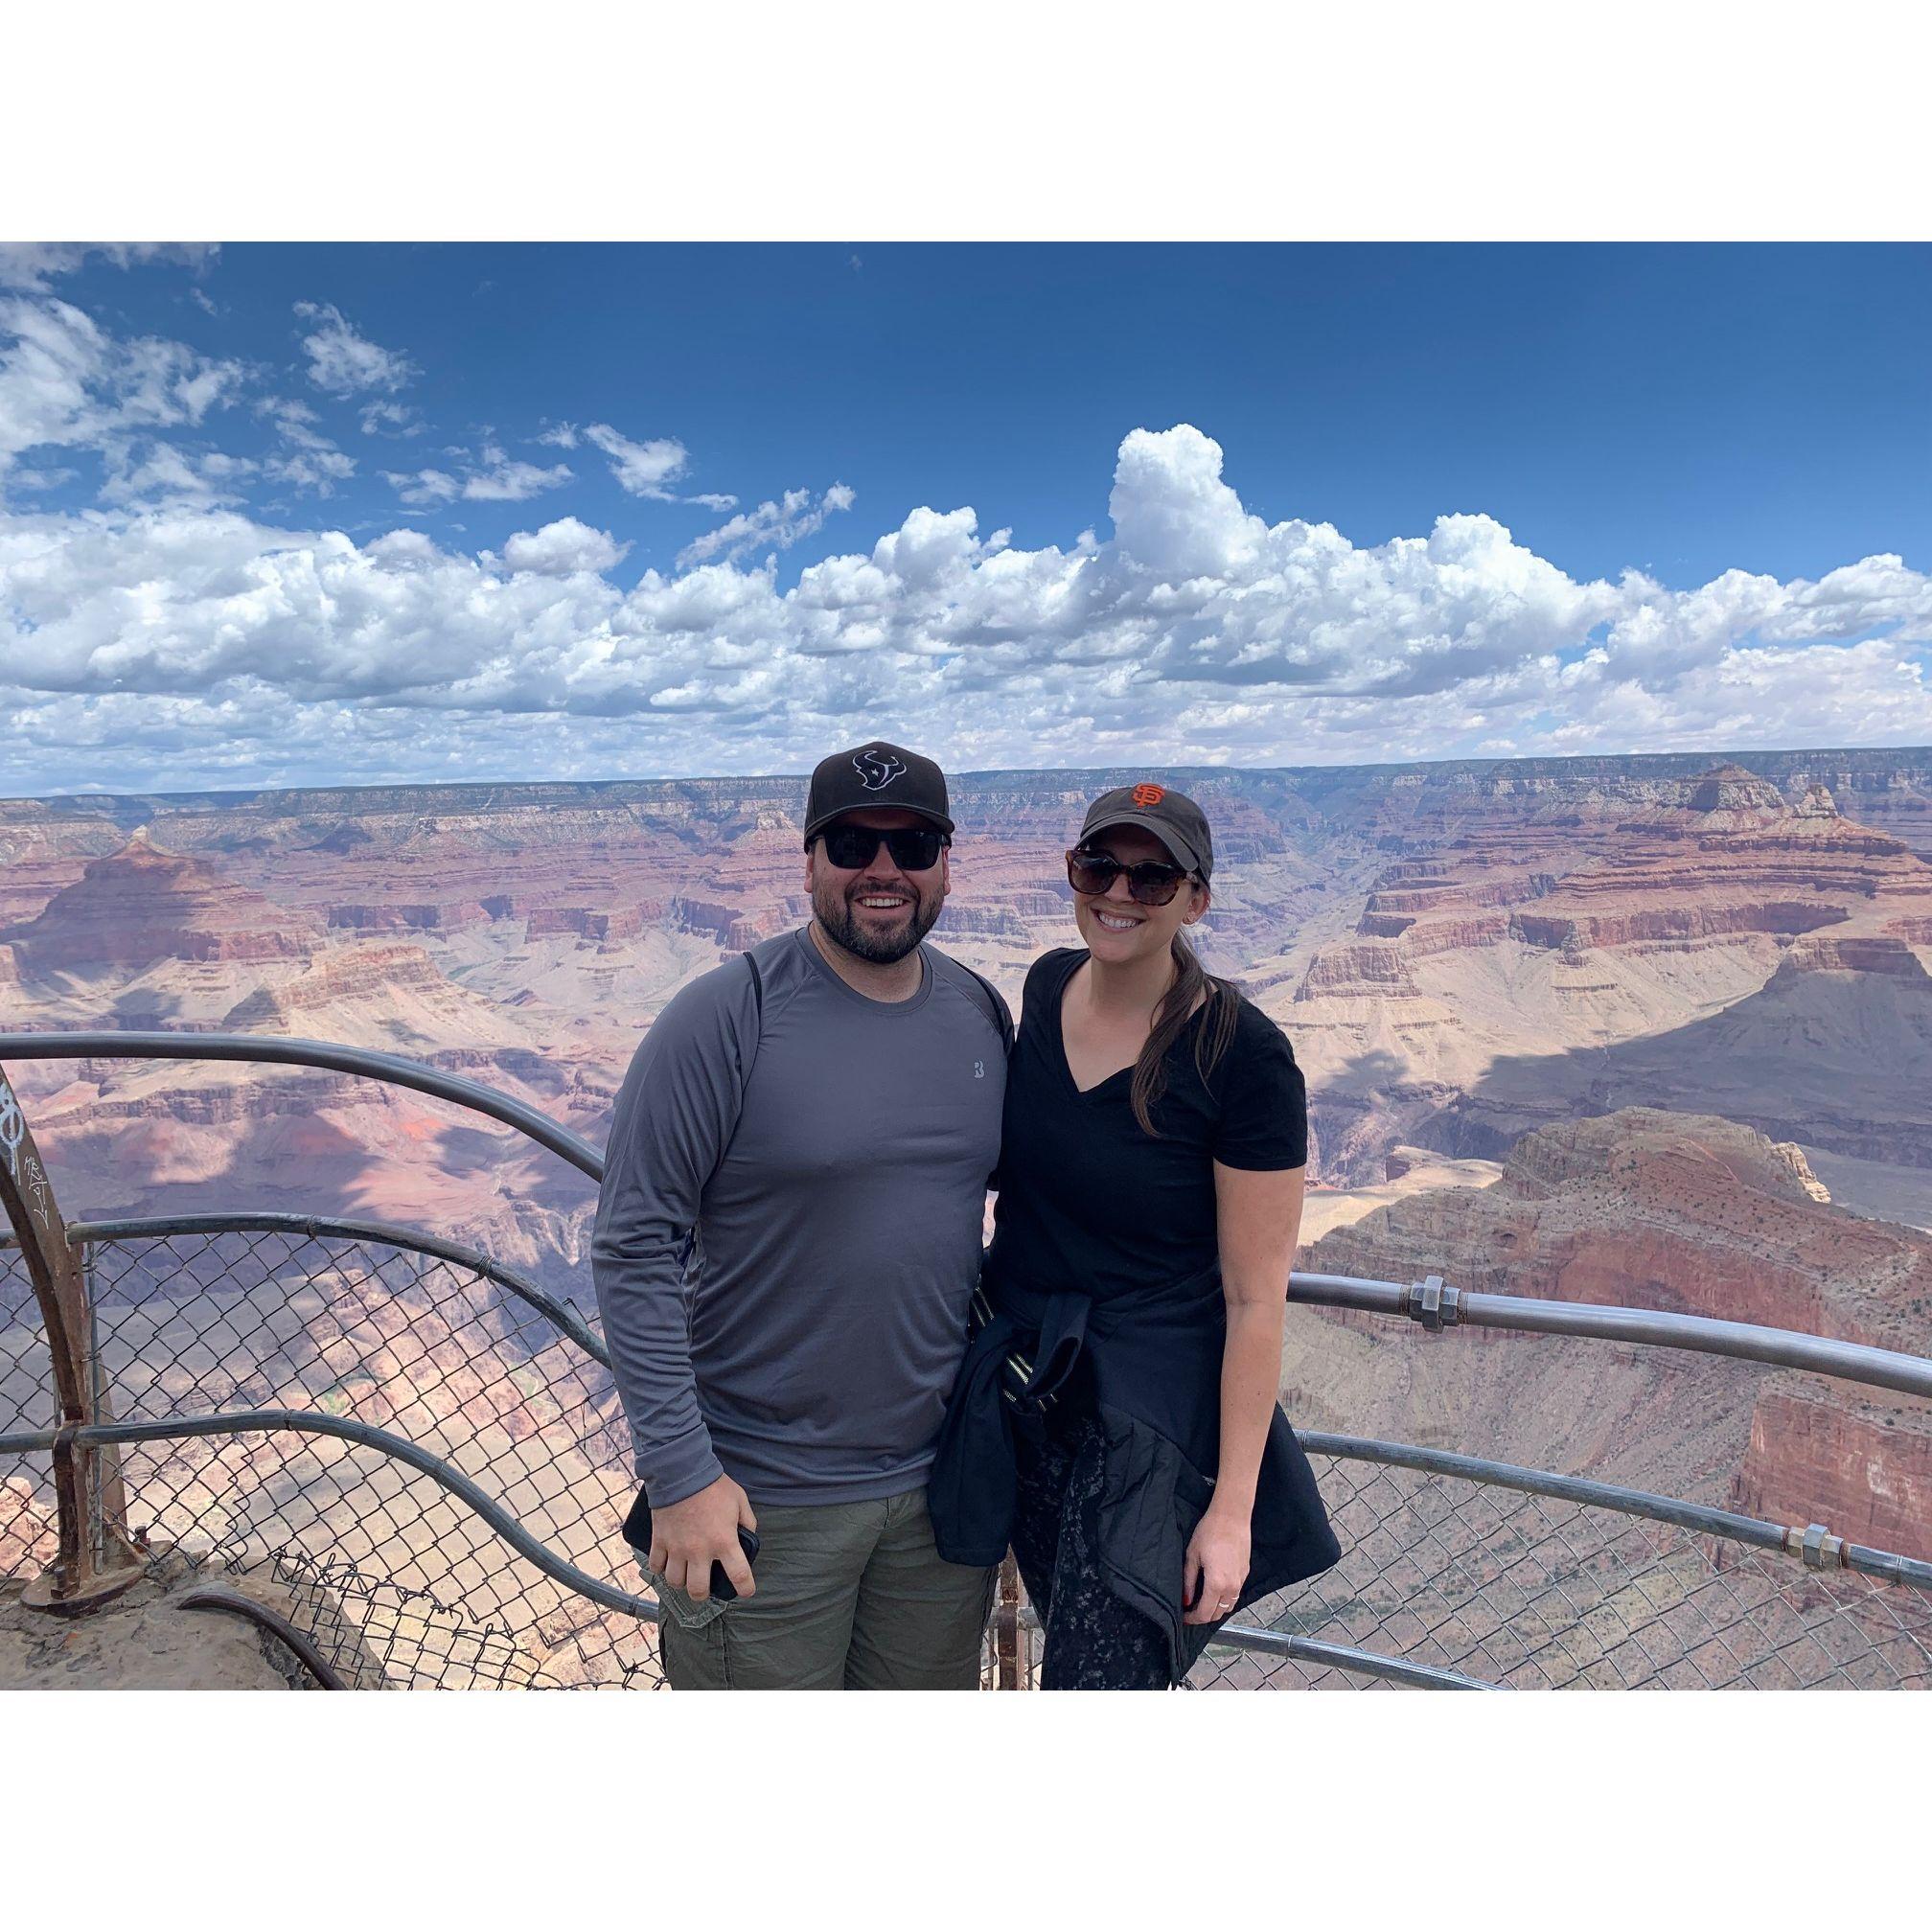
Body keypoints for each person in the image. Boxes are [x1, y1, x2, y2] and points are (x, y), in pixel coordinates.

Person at [591, 740, 1010, 1690]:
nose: (883, 870)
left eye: (912, 844)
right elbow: (632, 1249)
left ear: (947, 860)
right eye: (853, 842)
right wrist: (682, 1477)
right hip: (760, 1504)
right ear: (810, 858)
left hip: (941, 1502)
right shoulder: (723, 1018)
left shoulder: (979, 1015)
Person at [929, 781, 1341, 1689]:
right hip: (1029, 1394)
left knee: (1101, 1685)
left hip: (1144, 1424)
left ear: (1197, 899)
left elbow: (1254, 1297)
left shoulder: (1244, 1056)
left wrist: (1231, 1511)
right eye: (1099, 867)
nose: (1118, 893)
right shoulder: (1044, 984)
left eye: (1153, 879)